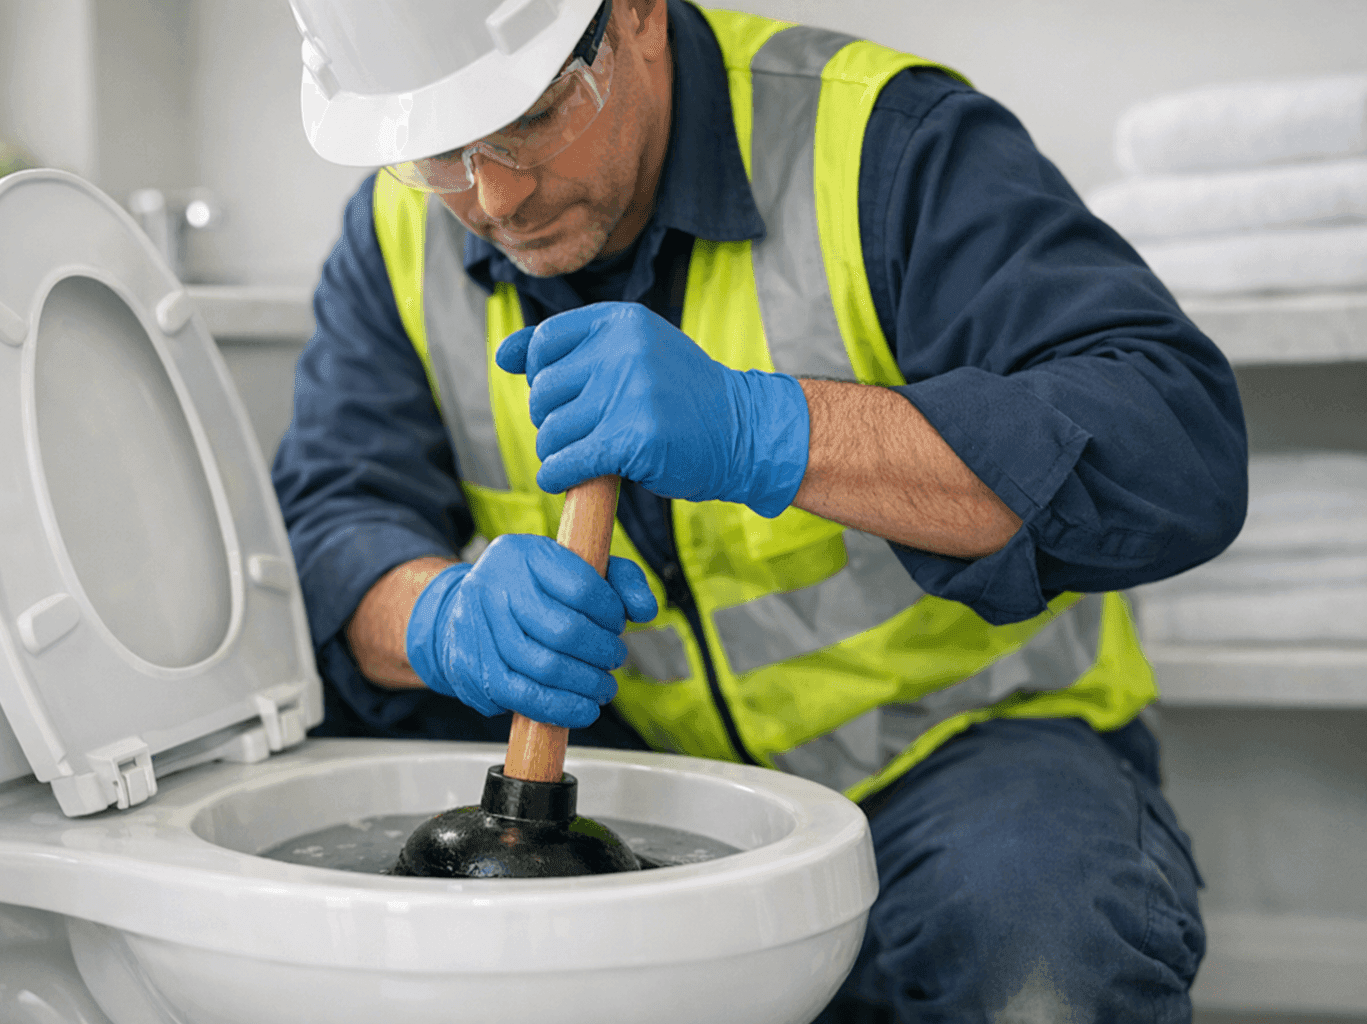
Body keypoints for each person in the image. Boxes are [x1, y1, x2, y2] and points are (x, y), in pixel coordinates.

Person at [274, 0, 1247, 1019]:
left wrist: (769, 429)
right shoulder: (396, 238)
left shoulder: (885, 143)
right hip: (659, 785)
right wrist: (443, 616)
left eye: (533, 116)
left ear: (639, 15)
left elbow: (1175, 446)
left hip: (966, 762)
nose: (495, 196)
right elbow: (329, 529)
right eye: (440, 153)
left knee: (1043, 961)